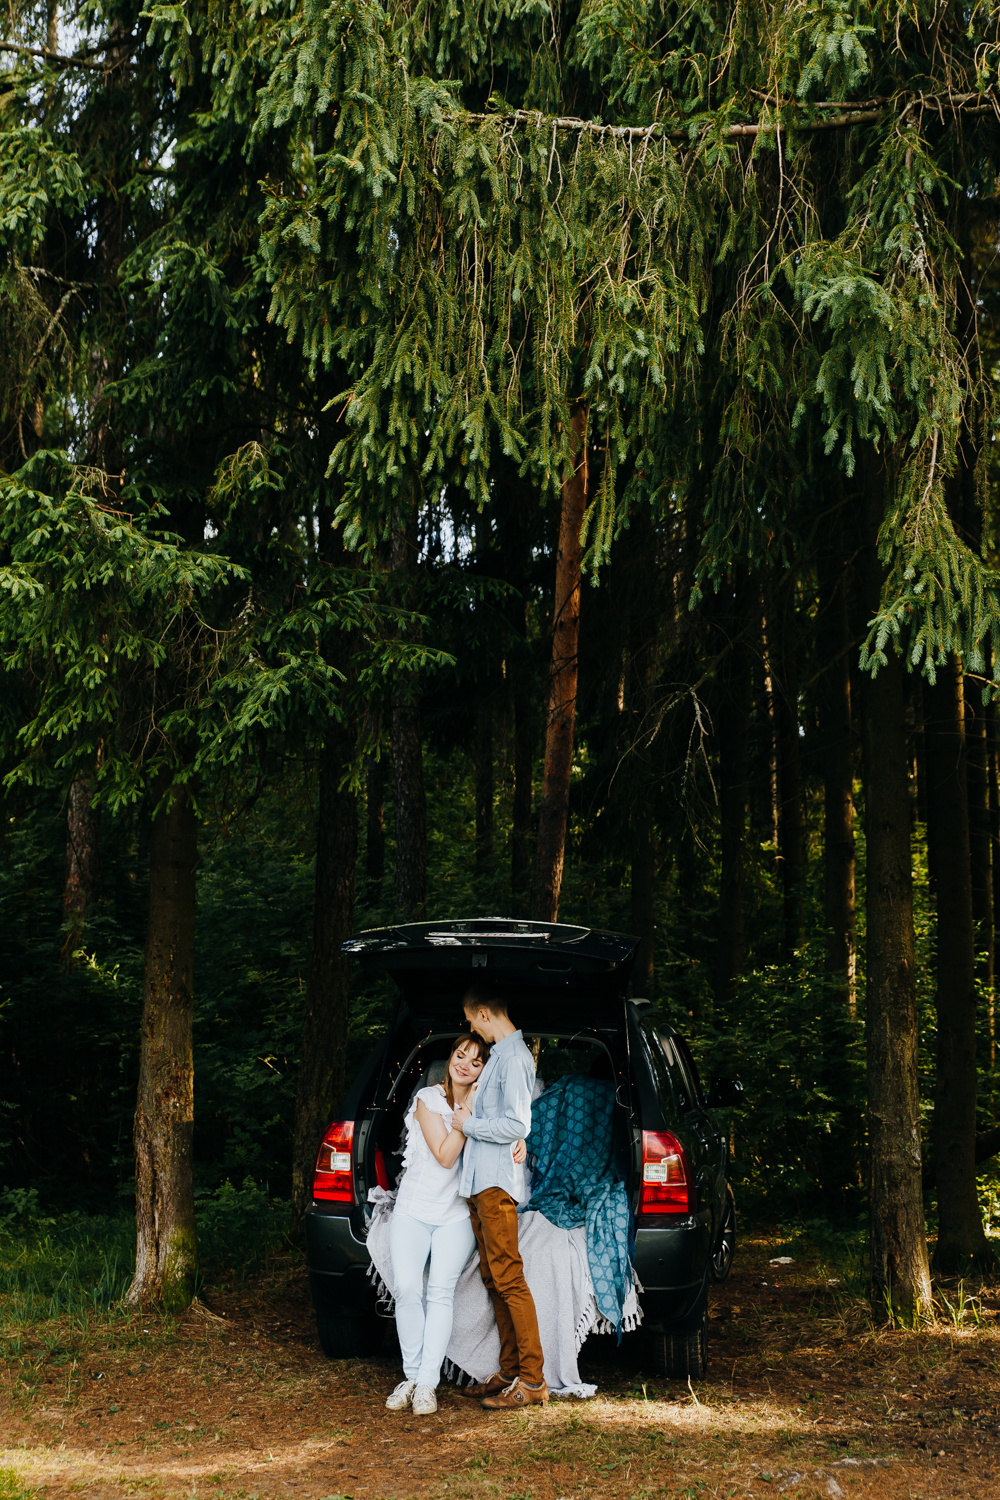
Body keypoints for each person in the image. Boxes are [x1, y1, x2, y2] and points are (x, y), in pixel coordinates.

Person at [384, 1033, 526, 1415]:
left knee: (440, 1292)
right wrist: (469, 1118)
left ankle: (427, 1383)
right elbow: (446, 1156)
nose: (464, 1064)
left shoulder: (484, 1112)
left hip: (455, 1215)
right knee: (408, 1288)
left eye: (476, 1061)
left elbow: (511, 1131)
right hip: (414, 1209)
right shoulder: (427, 1100)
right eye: (460, 1055)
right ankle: (411, 1375)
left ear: (484, 1071)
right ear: (450, 1059)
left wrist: (517, 1138)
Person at [451, 982, 548, 1410]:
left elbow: (515, 1125)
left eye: (472, 1020)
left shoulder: (515, 1058)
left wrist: (467, 1126)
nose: (472, 1027)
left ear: (485, 1014)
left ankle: (533, 1380)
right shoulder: (501, 1057)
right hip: (479, 1183)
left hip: (494, 1186)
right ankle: (509, 1370)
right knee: (492, 1277)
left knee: (508, 1277)